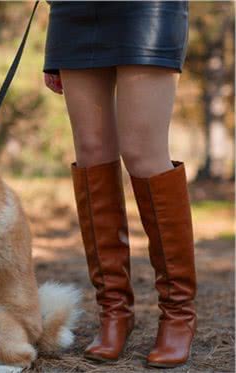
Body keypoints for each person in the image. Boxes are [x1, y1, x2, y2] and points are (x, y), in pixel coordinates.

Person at [43, 1, 195, 368]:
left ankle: (178, 315)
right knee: (92, 152)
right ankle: (114, 313)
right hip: (74, 9)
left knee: (143, 153)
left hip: (147, 8)